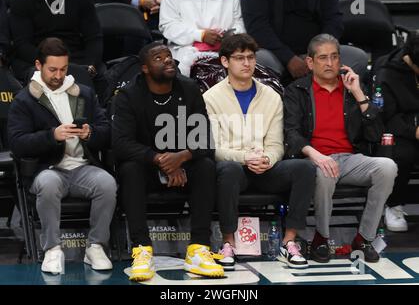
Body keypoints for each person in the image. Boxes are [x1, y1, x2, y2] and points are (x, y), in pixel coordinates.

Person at [112, 42, 224, 281]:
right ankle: (142, 250)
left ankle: (198, 249)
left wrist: (182, 157)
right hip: (147, 166)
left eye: (169, 56)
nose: (167, 61)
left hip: (183, 163)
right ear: (144, 68)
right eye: (158, 58)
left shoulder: (189, 89)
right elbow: (121, 143)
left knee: (205, 166)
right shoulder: (128, 95)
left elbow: (205, 140)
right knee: (129, 169)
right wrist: (159, 159)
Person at [203, 33, 316, 269]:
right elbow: (213, 149)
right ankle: (228, 244)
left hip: (265, 170)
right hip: (235, 170)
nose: (246, 63)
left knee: (304, 167)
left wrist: (267, 158)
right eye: (239, 58)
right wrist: (245, 157)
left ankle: (289, 242)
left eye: (251, 57)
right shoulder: (210, 98)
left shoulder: (271, 96)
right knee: (228, 169)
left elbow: (276, 144)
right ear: (225, 62)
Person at [284, 34, 397, 263]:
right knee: (326, 171)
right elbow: (291, 133)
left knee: (387, 167)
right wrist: (316, 155)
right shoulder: (297, 91)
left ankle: (364, 238)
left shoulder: (352, 89)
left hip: (350, 158)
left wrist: (358, 93)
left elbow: (375, 134)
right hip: (313, 158)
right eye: (323, 57)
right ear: (310, 62)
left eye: (334, 57)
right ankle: (321, 239)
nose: (329, 63)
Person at [7, 37, 117, 274]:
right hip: (46, 169)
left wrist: (90, 133)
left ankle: (96, 246)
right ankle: (52, 249)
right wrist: (51, 136)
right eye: (52, 69)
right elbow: (17, 143)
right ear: (38, 65)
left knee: (107, 183)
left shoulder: (83, 94)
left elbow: (106, 130)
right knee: (47, 184)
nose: (58, 75)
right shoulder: (25, 100)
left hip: (82, 167)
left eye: (63, 69)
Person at [241, 0, 368, 85]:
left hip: (317, 53)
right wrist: (289, 59)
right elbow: (258, 29)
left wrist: (318, 55)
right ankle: (275, 108)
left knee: (358, 57)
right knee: (258, 59)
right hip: (276, 54)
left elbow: (334, 19)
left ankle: (335, 105)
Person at [9, 0, 107, 101]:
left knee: (97, 75)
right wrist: (50, 63)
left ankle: (87, 116)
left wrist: (91, 64)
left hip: (75, 57)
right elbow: (22, 44)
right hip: (38, 59)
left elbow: (94, 37)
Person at [159, 0, 245, 77]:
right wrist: (200, 35)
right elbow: (167, 25)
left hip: (226, 50)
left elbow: (240, 22)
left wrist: (230, 36)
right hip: (185, 52)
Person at [380, 30, 419, 232]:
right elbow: (387, 117)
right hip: (400, 130)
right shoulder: (388, 73)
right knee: (403, 153)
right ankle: (393, 205)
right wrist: (414, 132)